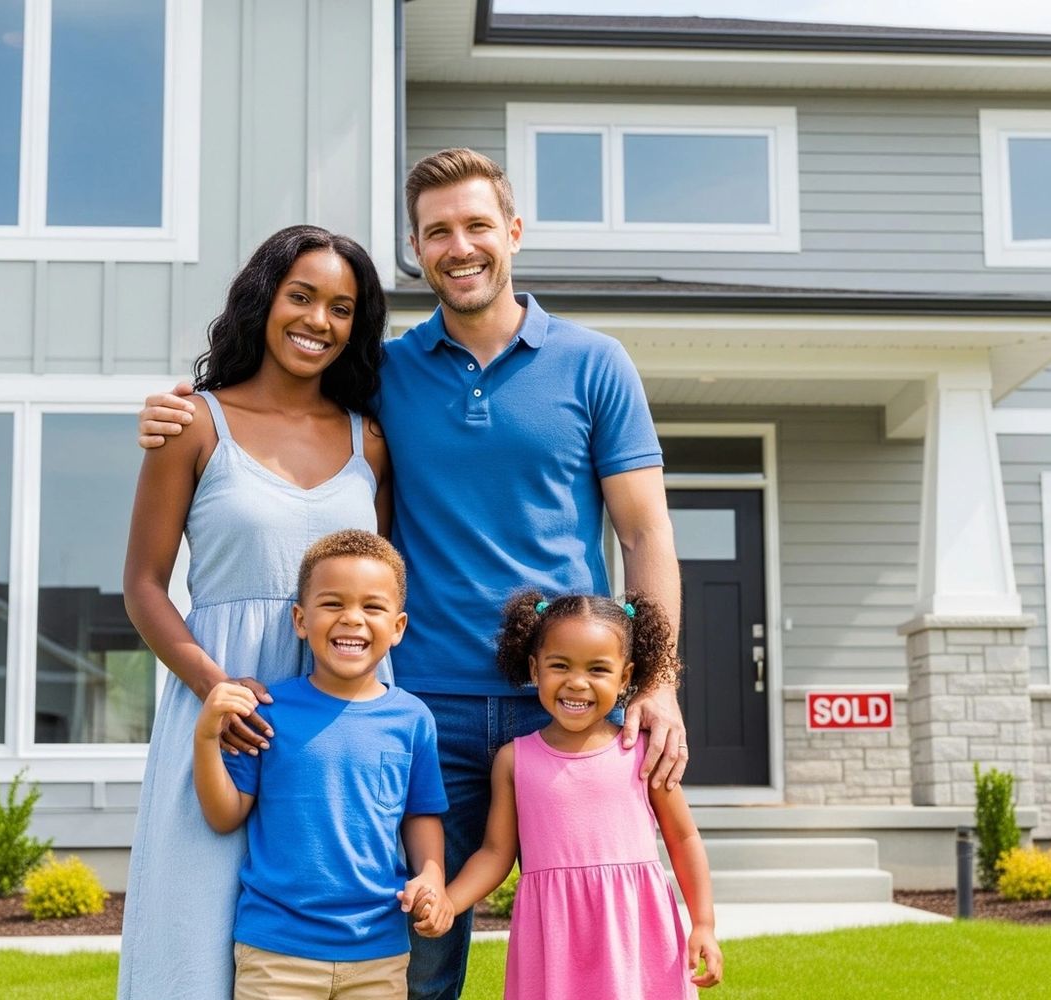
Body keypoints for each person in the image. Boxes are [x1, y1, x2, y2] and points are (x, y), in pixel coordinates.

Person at [139, 148, 688, 1000]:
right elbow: (280, 412)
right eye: (438, 232)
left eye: (476, 225)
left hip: (573, 700)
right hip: (426, 699)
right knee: (418, 943)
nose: (459, 246)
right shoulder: (382, 376)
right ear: (416, 248)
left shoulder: (594, 362)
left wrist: (653, 681)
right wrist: (177, 406)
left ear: (512, 232)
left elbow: (645, 533)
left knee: (607, 925)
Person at [121, 225, 392, 999]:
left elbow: (384, 582)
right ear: (263, 299)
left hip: (340, 717)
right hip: (225, 705)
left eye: (341, 308)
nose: (317, 320)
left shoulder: (368, 441)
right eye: (300, 296)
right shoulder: (193, 424)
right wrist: (215, 688)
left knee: (329, 934)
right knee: (195, 927)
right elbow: (143, 583)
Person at [193, 530, 449, 1000]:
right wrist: (206, 736)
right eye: (332, 604)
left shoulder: (413, 719)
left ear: (398, 627)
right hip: (276, 952)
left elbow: (420, 813)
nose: (352, 619)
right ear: (300, 620)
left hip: (379, 950)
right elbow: (224, 814)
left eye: (372, 607)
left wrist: (431, 875)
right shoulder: (268, 710)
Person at [438, 591, 721, 999]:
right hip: (552, 937)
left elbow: (683, 838)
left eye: (598, 669)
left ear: (625, 677)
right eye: (560, 665)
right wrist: (451, 900)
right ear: (535, 668)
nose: (577, 682)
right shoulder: (513, 760)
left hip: (634, 932)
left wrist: (704, 924)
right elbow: (495, 853)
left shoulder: (642, 751)